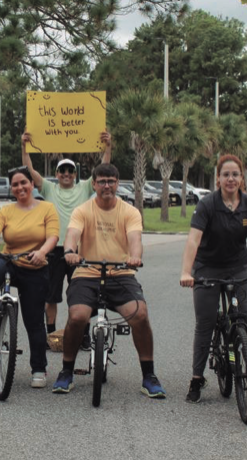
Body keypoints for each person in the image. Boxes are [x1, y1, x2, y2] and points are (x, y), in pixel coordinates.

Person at [179, 154, 247, 403]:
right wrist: (186, 272)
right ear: (218, 178)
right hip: (207, 267)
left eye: (235, 174)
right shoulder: (207, 204)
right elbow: (194, 239)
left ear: (242, 178)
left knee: (244, 319)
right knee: (205, 323)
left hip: (238, 266)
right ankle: (197, 377)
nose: (230, 179)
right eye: (226, 174)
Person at [54, 163, 165, 399]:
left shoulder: (129, 211)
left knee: (140, 315)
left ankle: (149, 375)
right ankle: (66, 371)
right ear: (93, 184)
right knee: (77, 317)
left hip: (121, 273)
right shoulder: (82, 210)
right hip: (87, 273)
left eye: (111, 181)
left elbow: (135, 238)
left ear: (117, 184)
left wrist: (135, 257)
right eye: (102, 181)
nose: (107, 185)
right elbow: (72, 234)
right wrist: (70, 251)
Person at [0, 166, 60, 388]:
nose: (20, 187)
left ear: (32, 184)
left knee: (34, 322)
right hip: (9, 260)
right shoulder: (6, 211)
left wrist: (42, 252)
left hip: (35, 265)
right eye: (15, 184)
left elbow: (53, 236)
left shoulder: (47, 208)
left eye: (23, 183)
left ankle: (38, 368)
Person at [21, 130, 112, 340]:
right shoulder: (49, 189)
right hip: (53, 250)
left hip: (79, 250)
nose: (66, 174)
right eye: (62, 170)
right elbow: (30, 170)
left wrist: (107, 147)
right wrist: (25, 147)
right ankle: (51, 334)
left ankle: (84, 336)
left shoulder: (84, 188)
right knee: (50, 296)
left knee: (82, 295)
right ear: (57, 173)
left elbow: (102, 169)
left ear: (75, 173)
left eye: (70, 170)